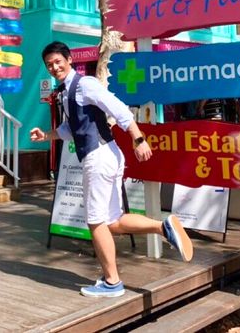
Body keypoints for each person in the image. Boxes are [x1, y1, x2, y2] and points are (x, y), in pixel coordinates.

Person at [30, 41, 193, 299]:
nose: (54, 67)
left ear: (69, 59)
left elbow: (117, 108)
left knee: (95, 223)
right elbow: (72, 128)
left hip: (98, 157)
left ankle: (112, 282)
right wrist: (46, 135)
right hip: (106, 156)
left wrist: (138, 138)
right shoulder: (67, 91)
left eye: (58, 61)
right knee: (112, 222)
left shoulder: (85, 84)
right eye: (49, 64)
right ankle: (163, 227)